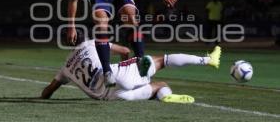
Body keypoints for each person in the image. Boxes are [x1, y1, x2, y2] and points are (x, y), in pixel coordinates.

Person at [41, 38, 221, 103]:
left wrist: (43, 96)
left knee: (160, 85)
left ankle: (165, 96)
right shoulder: (90, 43)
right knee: (160, 60)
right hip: (116, 76)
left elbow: (47, 92)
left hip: (111, 98)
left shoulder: (65, 67)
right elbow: (125, 51)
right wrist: (125, 69)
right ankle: (208, 60)